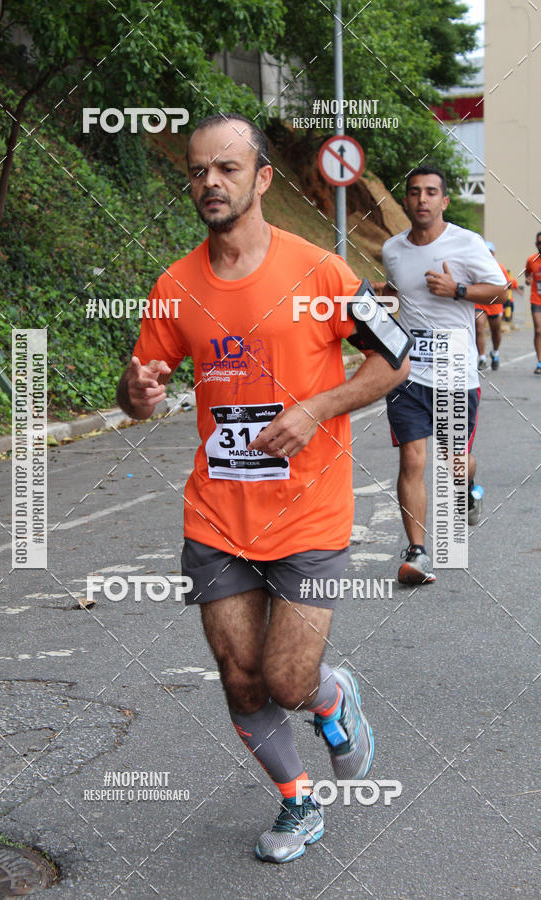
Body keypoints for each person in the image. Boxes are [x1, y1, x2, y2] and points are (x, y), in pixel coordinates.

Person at [117, 114, 410, 862]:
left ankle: (330, 697)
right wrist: (137, 392)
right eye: (196, 171)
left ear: (262, 179)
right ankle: (297, 801)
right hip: (217, 513)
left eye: (226, 168)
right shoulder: (175, 286)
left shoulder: (321, 271)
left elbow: (396, 357)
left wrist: (317, 407)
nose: (209, 182)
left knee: (287, 677)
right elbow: (140, 387)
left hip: (309, 509)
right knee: (241, 674)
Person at [379, 165, 507, 584]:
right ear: (406, 200)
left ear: (444, 201)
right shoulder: (393, 249)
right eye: (415, 192)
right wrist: (383, 301)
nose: (422, 200)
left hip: (455, 370)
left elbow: (500, 289)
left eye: (431, 192)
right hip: (409, 372)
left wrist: (459, 291)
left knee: (454, 465)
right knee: (413, 459)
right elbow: (399, 296)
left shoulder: (466, 244)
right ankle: (417, 553)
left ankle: (469, 489)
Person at [475, 242, 514, 371]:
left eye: (490, 251)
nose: (488, 254)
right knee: (479, 328)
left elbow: (508, 285)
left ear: (493, 253)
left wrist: (507, 302)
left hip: (495, 304)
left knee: (496, 331)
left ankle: (495, 353)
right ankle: (481, 358)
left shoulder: (499, 267)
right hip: (480, 303)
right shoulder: (476, 266)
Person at [524, 232, 541, 374]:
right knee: (538, 330)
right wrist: (528, 280)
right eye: (539, 243)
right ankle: (540, 362)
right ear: (536, 244)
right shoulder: (531, 260)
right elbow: (527, 274)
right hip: (536, 299)